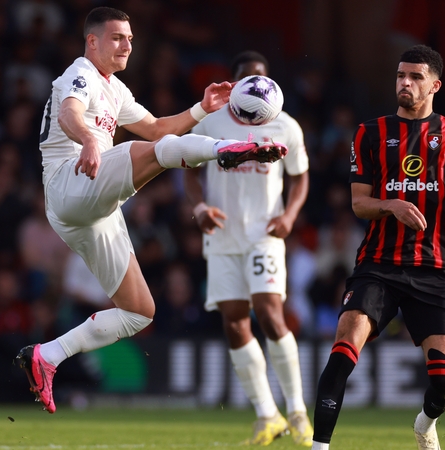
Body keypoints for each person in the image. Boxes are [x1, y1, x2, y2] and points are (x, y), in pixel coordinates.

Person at [14, 7, 287, 414]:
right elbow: (70, 112)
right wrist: (88, 140)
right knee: (149, 153)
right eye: (117, 37)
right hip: (70, 182)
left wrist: (201, 108)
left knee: (139, 311)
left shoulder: (115, 89)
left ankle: (46, 356)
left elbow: (159, 128)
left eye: (130, 39)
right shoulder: (80, 73)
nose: (126, 45)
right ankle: (224, 150)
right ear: (92, 41)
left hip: (90, 208)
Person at [310, 45, 445, 450]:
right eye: (400, 75)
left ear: (435, 85)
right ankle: (319, 447)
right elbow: (359, 203)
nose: (405, 83)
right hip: (378, 265)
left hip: (434, 268)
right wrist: (390, 205)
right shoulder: (370, 132)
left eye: (415, 77)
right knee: (343, 349)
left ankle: (425, 424)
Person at [183, 51, 313, 446]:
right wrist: (200, 207)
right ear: (234, 83)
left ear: (269, 82)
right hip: (222, 235)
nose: (254, 86)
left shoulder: (286, 125)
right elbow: (188, 168)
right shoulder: (211, 122)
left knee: (270, 313)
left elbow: (300, 176)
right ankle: (266, 414)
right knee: (235, 321)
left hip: (263, 234)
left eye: (260, 78)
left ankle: (297, 410)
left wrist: (290, 214)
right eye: (246, 79)